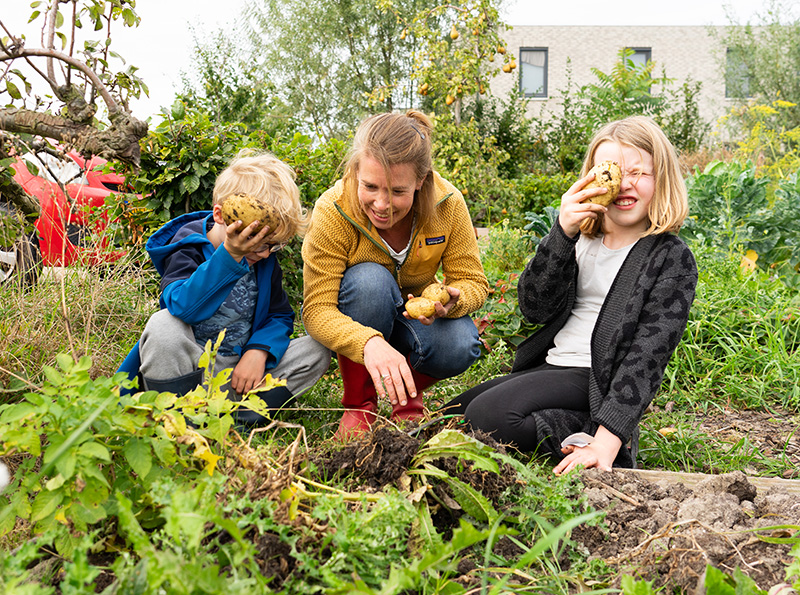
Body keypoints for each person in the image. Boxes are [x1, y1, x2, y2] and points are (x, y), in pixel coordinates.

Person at [443, 115, 698, 473]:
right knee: (448, 418)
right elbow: (533, 306)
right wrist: (561, 234)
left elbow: (647, 358)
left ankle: (594, 433)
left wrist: (607, 444)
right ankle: (578, 423)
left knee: (487, 415)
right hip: (554, 366)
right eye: (610, 171)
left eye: (638, 173)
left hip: (595, 375)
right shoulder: (579, 239)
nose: (624, 184)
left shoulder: (669, 258)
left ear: (662, 178)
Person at [301, 110, 489, 440]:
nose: (382, 203)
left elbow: (473, 281)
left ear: (421, 181)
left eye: (398, 191)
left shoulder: (448, 204)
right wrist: (368, 342)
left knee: (461, 343)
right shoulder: (334, 210)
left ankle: (405, 400)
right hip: (363, 313)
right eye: (370, 186)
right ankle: (360, 404)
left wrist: (454, 300)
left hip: (417, 322)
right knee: (368, 281)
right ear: (355, 171)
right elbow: (317, 311)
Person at [118, 151, 331, 427]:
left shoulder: (264, 261)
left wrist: (259, 350)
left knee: (317, 349)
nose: (267, 254)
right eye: (260, 243)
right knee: (162, 325)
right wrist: (229, 256)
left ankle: (238, 418)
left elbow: (279, 316)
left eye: (274, 245)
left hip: (239, 375)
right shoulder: (187, 249)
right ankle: (177, 421)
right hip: (187, 372)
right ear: (220, 215)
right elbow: (183, 307)